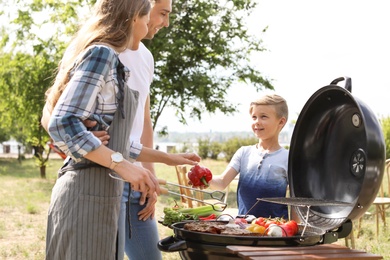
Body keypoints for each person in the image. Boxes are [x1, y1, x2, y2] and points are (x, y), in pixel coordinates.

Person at [43, 0, 199, 259]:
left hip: (104, 190)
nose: (153, 22)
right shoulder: (101, 54)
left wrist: (166, 158)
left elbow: (116, 140)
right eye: (149, 14)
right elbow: (62, 122)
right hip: (86, 190)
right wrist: (121, 164)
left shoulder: (116, 62)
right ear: (132, 17)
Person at [116, 0, 172, 259]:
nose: (165, 23)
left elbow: (144, 120)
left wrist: (149, 177)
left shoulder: (146, 56)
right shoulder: (100, 49)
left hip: (136, 184)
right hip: (105, 179)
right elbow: (56, 115)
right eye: (162, 13)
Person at [208, 94, 289, 218]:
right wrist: (204, 179)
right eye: (254, 117)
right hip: (244, 229)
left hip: (275, 230)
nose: (257, 122)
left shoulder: (288, 158)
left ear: (281, 122)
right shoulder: (244, 153)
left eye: (263, 117)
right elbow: (222, 182)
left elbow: (296, 202)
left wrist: (297, 231)